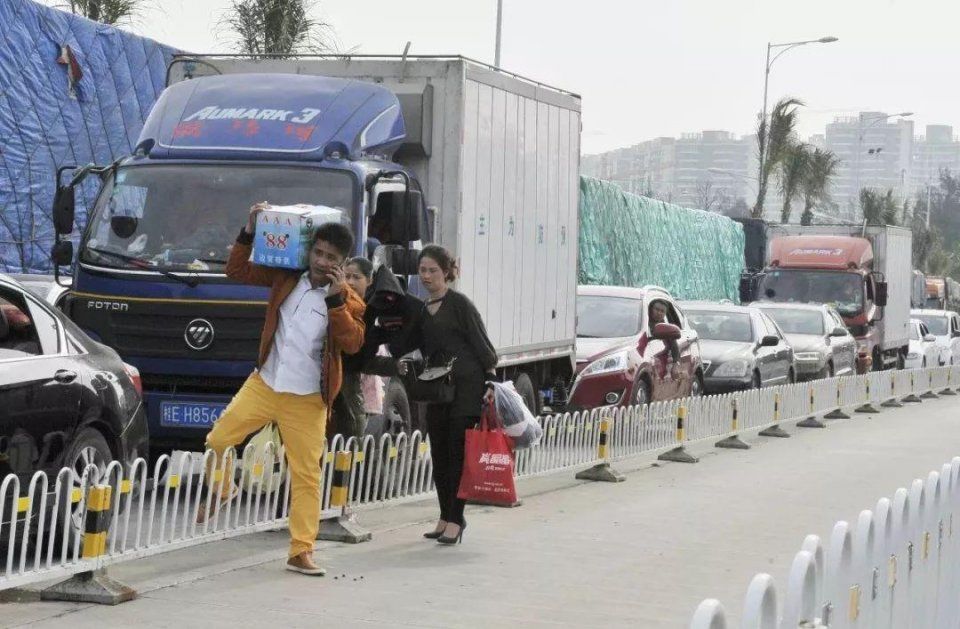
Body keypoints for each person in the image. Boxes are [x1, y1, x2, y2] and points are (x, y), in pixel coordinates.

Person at [200, 201, 365, 576]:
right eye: (318, 253)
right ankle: (225, 490)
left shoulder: (348, 300)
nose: (322, 261)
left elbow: (353, 342)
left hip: (307, 399)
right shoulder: (286, 277)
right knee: (218, 439)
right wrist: (249, 229)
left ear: (343, 262)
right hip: (266, 383)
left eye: (331, 257)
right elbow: (237, 269)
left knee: (307, 475)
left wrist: (337, 301)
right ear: (308, 250)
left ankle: (301, 550)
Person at [393, 245, 498, 545]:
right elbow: (407, 344)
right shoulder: (423, 310)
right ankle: (443, 515)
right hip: (437, 390)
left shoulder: (460, 305)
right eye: (422, 270)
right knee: (438, 455)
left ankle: (457, 519)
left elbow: (484, 349)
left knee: (457, 457)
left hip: (466, 389)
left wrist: (489, 383)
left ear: (446, 272)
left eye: (432, 271)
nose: (426, 276)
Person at [332, 257, 384, 439]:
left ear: (369, 280)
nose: (351, 282)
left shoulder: (373, 308)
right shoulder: (336, 300)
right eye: (347, 276)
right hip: (336, 371)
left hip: (354, 376)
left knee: (353, 422)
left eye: (357, 277)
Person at [650, 301, 681, 380]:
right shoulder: (643, 324)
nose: (659, 313)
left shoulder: (665, 328)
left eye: (662, 311)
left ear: (665, 314)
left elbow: (674, 346)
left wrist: (676, 364)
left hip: (661, 366)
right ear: (651, 309)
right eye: (657, 309)